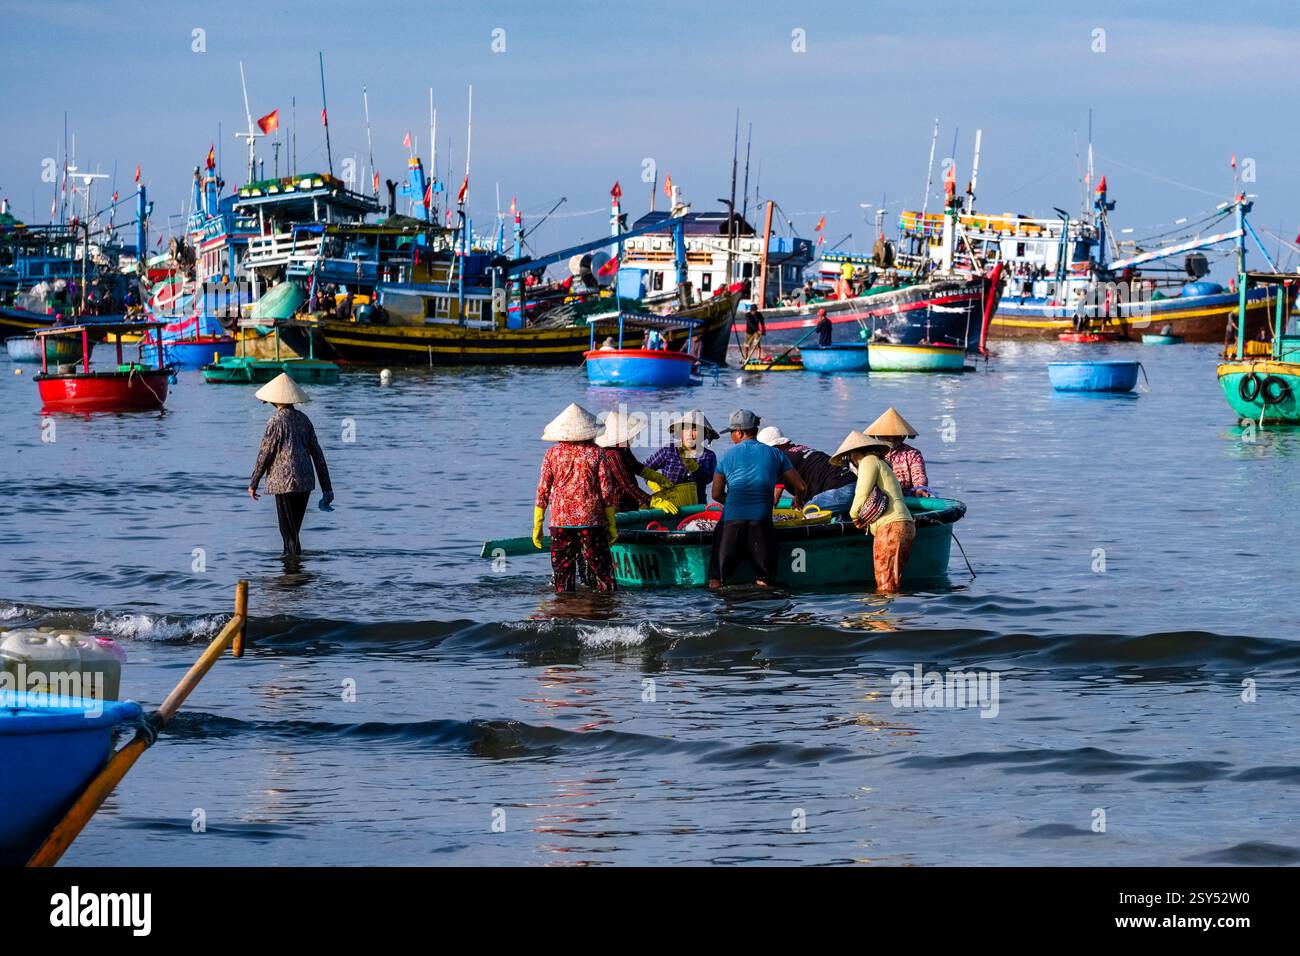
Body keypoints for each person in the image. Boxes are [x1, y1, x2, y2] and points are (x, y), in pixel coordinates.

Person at [708, 410, 807, 589]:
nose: (731, 436)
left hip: (731, 520)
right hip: (761, 520)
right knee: (764, 581)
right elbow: (801, 487)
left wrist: (734, 503)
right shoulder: (776, 455)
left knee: (717, 580)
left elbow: (716, 494)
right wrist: (798, 501)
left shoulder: (726, 456)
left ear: (739, 432)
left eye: (731, 432)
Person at [533, 402, 619, 593]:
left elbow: (543, 490)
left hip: (560, 523)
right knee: (602, 571)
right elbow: (606, 491)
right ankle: (606, 608)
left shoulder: (552, 454)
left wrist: (537, 524)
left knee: (562, 573)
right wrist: (611, 524)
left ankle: (564, 610)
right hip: (591, 521)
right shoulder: (597, 453)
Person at [248, 373, 333, 557]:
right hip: (305, 481)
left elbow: (265, 454)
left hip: (284, 481)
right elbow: (318, 455)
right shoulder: (304, 420)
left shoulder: (275, 421)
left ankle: (291, 573)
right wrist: (327, 488)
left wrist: (254, 482)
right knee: (294, 531)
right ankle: (295, 573)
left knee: (288, 533)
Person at [830, 431, 915, 593]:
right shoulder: (882, 463)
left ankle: (880, 618)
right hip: (905, 525)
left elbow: (861, 495)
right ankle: (899, 616)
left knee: (886, 586)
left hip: (890, 528)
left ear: (853, 454)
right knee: (893, 582)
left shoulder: (868, 462)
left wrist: (855, 517)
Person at [757, 425, 856, 513]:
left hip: (841, 491)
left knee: (808, 510)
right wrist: (798, 500)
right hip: (855, 486)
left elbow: (774, 499)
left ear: (775, 447)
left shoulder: (781, 459)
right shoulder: (799, 449)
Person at [595, 409, 677, 515]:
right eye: (631, 435)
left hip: (629, 502)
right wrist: (653, 501)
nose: (633, 438)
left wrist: (659, 478)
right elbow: (628, 485)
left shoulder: (623, 449)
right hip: (618, 507)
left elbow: (636, 466)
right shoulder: (612, 455)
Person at [644, 409, 718, 507]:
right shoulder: (669, 450)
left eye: (695, 430)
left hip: (696, 506)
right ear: (680, 432)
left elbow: (707, 479)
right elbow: (645, 469)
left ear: (704, 434)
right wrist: (655, 484)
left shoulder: (708, 455)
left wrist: (694, 467)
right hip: (669, 504)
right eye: (686, 429)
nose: (690, 434)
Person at [865, 407, 930, 496]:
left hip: (905, 497)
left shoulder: (912, 454)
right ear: (877, 435)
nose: (892, 438)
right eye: (887, 435)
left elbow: (919, 475)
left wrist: (920, 488)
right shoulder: (869, 454)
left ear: (903, 436)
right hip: (877, 498)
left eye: (896, 435)